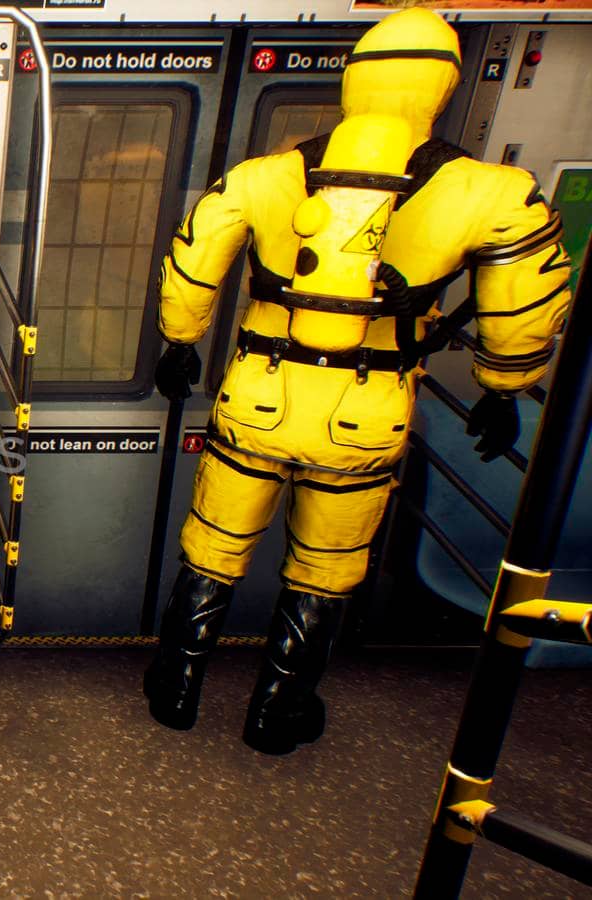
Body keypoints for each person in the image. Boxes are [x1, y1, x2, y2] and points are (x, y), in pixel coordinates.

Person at [143, 8, 572, 755]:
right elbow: (524, 306)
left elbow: (193, 258)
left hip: (260, 395)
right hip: (368, 407)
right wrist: (503, 386)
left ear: (354, 80)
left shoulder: (264, 178)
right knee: (326, 563)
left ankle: (175, 690)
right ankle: (278, 710)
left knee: (213, 543)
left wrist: (179, 344)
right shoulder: (491, 191)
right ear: (443, 85)